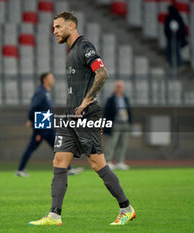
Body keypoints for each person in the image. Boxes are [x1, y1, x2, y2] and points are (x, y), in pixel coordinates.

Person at [29, 11, 135, 226]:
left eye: (58, 27)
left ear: (71, 26)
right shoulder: (71, 51)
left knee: (97, 164)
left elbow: (102, 73)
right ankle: (54, 216)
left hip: (85, 115)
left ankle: (126, 209)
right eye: (53, 27)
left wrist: (87, 101)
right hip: (70, 117)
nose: (54, 31)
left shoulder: (84, 46)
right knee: (59, 161)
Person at [16, 72, 84, 177]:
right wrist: (30, 119)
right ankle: (20, 170)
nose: (53, 79)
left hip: (47, 124)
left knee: (58, 146)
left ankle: (69, 168)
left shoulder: (46, 92)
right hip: (42, 123)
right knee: (32, 146)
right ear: (45, 80)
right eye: (51, 78)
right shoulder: (41, 92)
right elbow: (33, 107)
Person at [104, 80, 132, 170]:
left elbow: (129, 111)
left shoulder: (125, 98)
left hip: (125, 123)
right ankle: (108, 161)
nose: (119, 88)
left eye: (120, 87)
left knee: (123, 143)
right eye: (117, 87)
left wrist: (130, 122)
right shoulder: (111, 99)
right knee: (112, 143)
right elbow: (107, 113)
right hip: (115, 123)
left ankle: (120, 161)